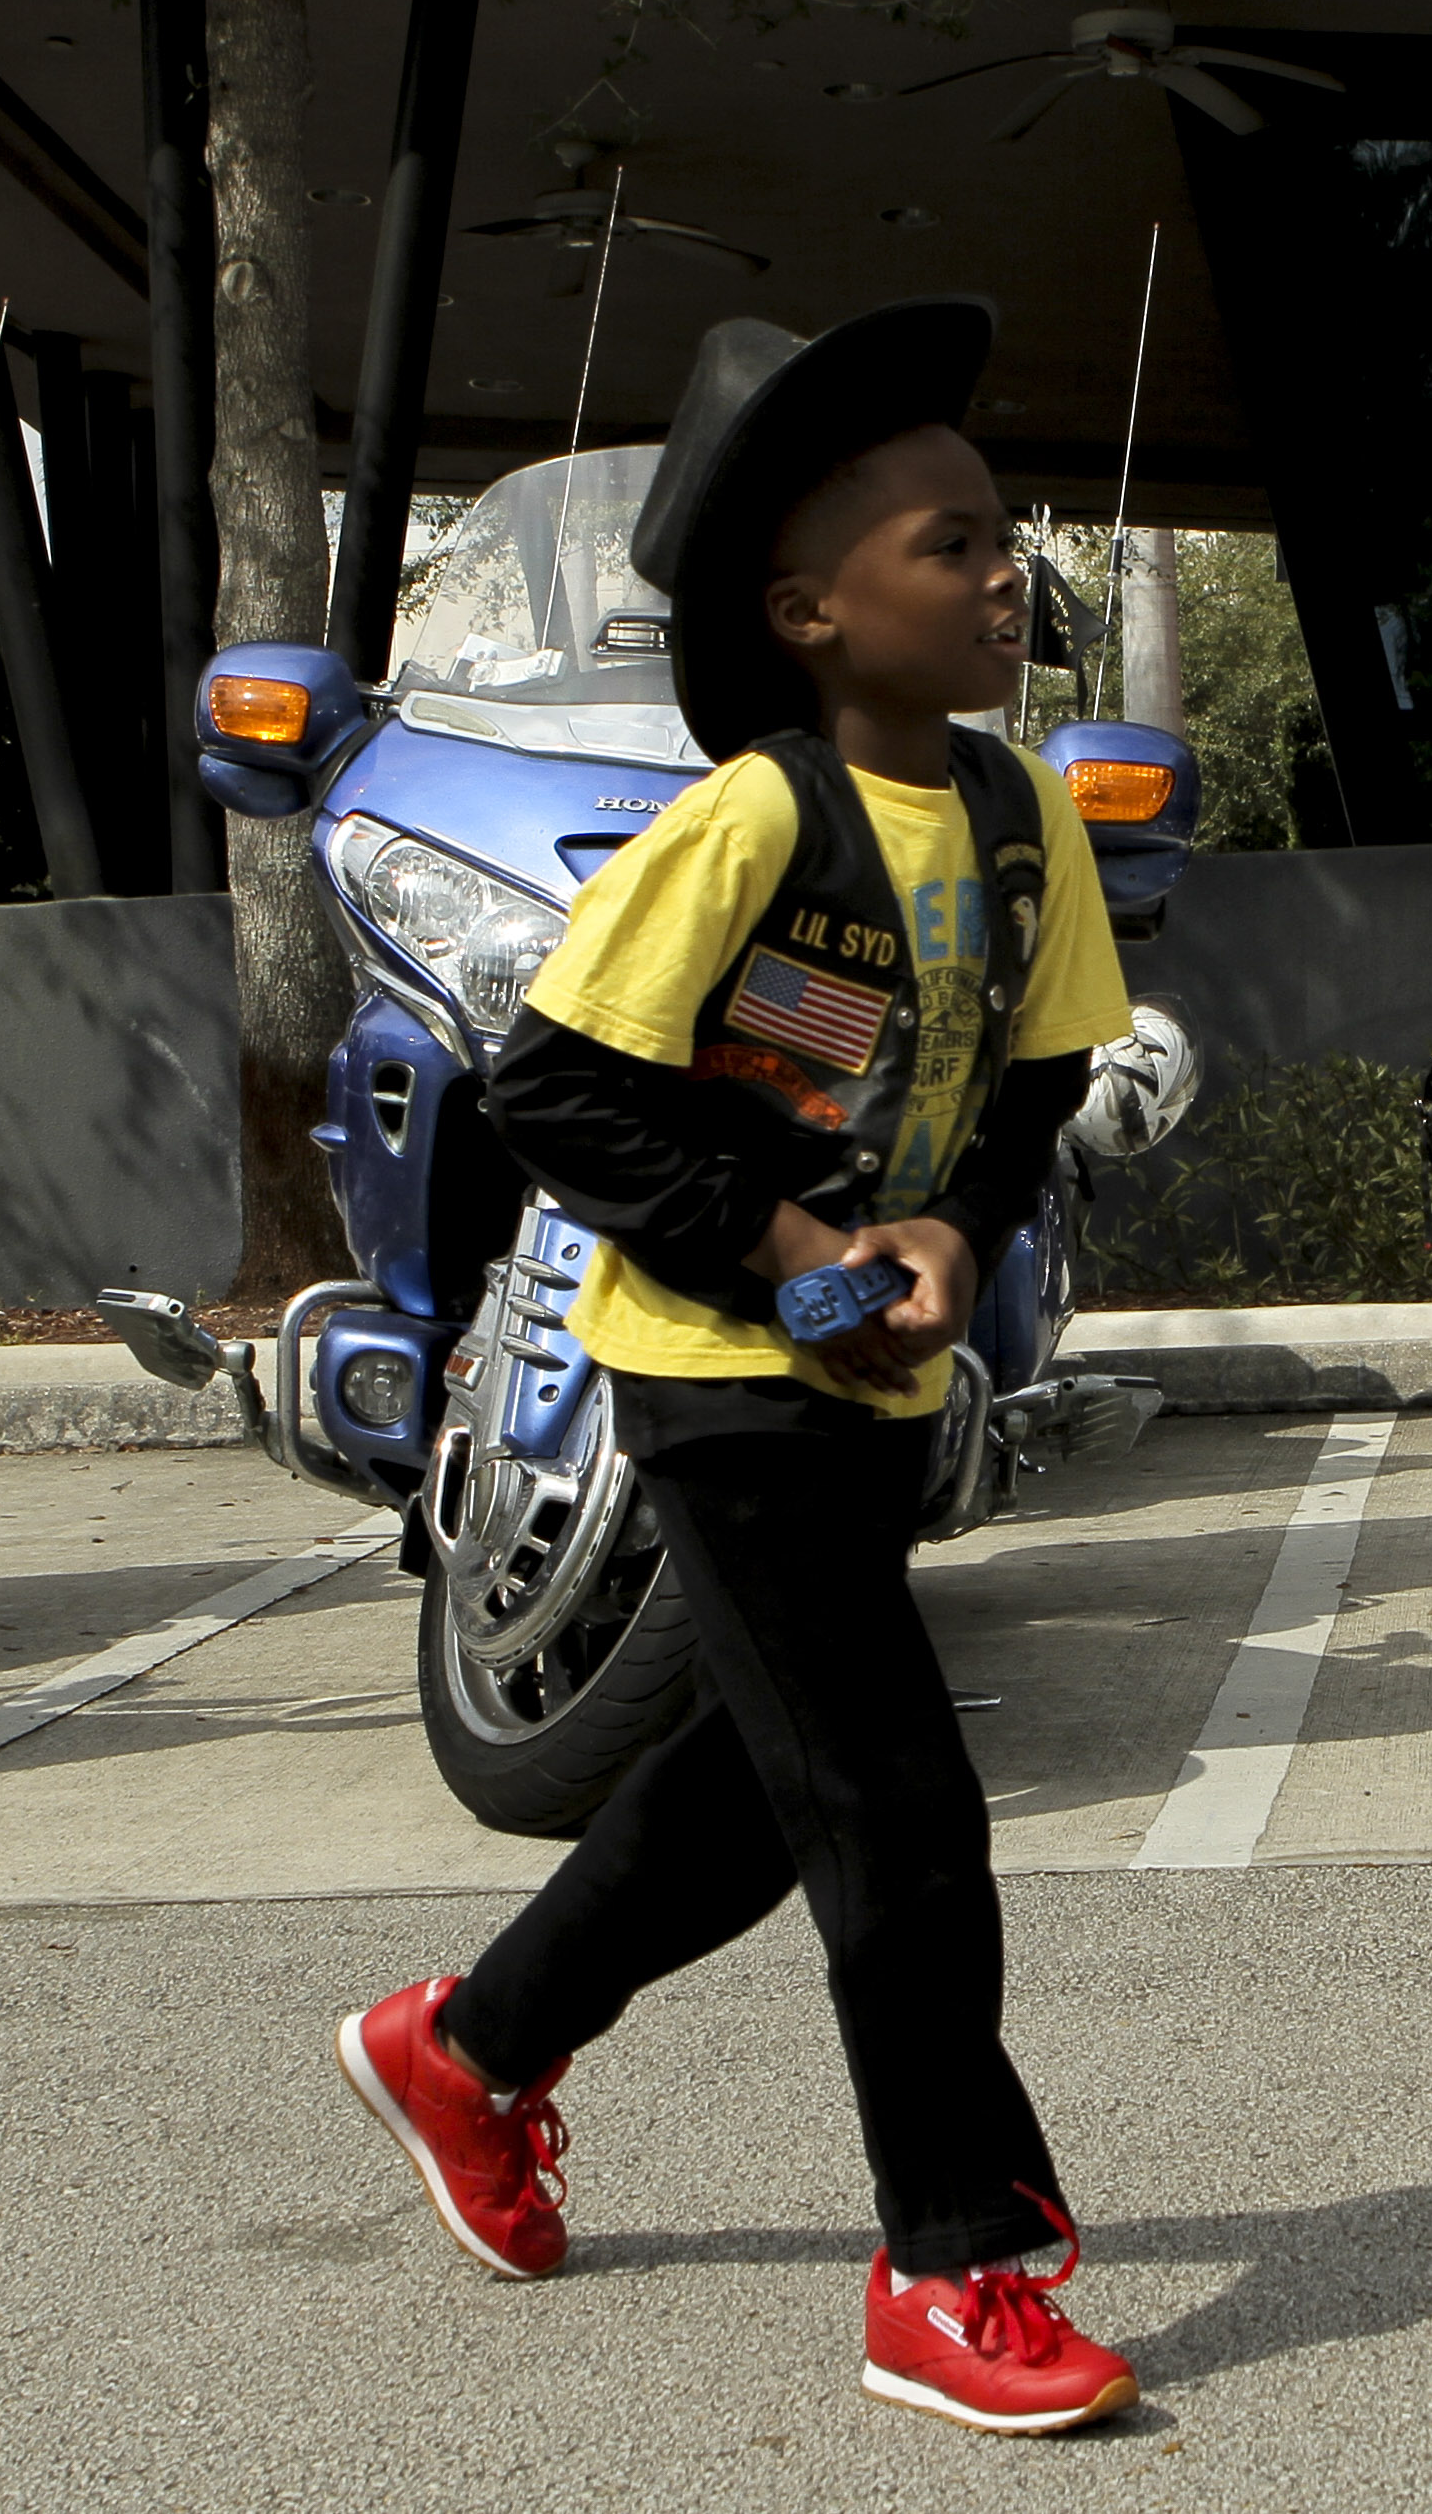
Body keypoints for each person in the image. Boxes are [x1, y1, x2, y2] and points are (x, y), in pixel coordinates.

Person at [333, 297, 1148, 2433]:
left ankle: (467, 2049)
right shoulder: (750, 825)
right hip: (717, 1371)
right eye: (949, 547)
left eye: (1004, 539)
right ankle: (952, 2266)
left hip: (877, 1384)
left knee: (759, 1792)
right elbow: (557, 1088)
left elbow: (1036, 1076)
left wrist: (955, 1234)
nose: (1004, 577)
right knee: (897, 1806)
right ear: (809, 614)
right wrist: (791, 1249)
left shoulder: (1016, 812)